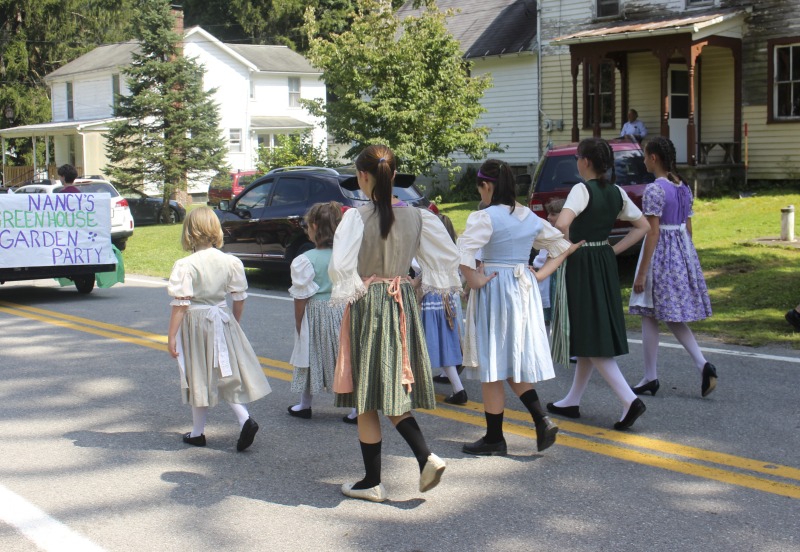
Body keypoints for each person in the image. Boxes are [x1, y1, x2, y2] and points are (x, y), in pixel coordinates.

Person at [329, 144, 460, 503]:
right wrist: (409, 279)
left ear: (363, 176)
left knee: (370, 392)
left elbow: (341, 269)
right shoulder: (420, 217)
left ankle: (415, 461)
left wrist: (357, 287)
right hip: (401, 302)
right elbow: (446, 259)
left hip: (368, 304)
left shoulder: (355, 217)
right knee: (377, 391)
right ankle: (385, 474)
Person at [458, 159, 580, 456]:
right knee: (510, 358)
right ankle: (541, 419)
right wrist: (537, 275)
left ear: (486, 186)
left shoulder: (484, 217)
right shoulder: (529, 216)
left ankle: (494, 437)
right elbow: (562, 247)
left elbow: (462, 252)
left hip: (495, 287)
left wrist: (474, 279)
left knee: (492, 363)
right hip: (523, 290)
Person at [546, 137, 651, 430]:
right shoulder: (616, 191)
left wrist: (565, 247)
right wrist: (612, 250)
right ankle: (572, 399)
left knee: (588, 330)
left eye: (578, 157)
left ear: (586, 162)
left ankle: (629, 400)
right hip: (603, 262)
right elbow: (642, 226)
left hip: (582, 263)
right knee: (590, 330)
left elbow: (561, 223)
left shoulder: (582, 189)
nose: (577, 161)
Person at [167, 207, 271, 450]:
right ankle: (243, 418)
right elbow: (239, 296)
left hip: (196, 320)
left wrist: (171, 335)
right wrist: (233, 321)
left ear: (190, 231)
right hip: (221, 318)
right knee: (224, 371)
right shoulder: (230, 261)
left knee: (198, 373)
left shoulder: (186, 264)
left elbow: (181, 304)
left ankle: (198, 431)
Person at [629, 137, 717, 398]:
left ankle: (650, 376)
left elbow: (652, 233)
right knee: (668, 314)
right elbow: (688, 227)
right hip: (681, 251)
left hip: (661, 255)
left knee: (650, 312)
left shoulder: (655, 189)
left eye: (645, 155)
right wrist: (688, 259)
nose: (644, 160)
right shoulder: (683, 186)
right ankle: (702, 365)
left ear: (654, 158)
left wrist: (643, 271)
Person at [287, 201, 357, 423]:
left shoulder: (305, 260)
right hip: (342, 310)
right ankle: (356, 408)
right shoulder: (345, 257)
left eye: (307, 226)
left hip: (316, 314)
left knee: (310, 355)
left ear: (315, 227)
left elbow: (301, 298)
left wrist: (299, 323)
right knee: (343, 357)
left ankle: (305, 404)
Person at [419, 212, 467, 405]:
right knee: (445, 341)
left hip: (429, 297)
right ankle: (458, 388)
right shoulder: (448, 249)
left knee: (421, 342)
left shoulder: (425, 247)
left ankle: (418, 389)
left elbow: (414, 266)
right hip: (446, 298)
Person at [532, 198, 566, 325]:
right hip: (544, 276)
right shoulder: (547, 233)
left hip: (554, 278)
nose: (548, 217)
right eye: (548, 214)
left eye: (553, 214)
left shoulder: (563, 235)